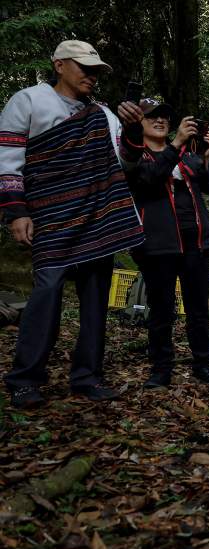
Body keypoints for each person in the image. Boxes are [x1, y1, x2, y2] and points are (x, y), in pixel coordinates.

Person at [0, 40, 145, 408]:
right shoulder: (28, 101)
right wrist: (17, 212)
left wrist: (132, 130)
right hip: (51, 217)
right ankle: (24, 379)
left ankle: (87, 377)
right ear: (59, 65)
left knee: (95, 300)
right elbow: (8, 160)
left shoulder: (103, 114)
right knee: (46, 294)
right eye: (84, 67)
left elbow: (125, 163)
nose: (91, 75)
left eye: (95, 70)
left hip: (98, 219)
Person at [119, 98, 209, 389]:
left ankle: (204, 365)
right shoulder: (135, 157)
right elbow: (150, 180)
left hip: (196, 242)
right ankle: (161, 369)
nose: (160, 120)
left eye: (165, 116)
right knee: (162, 309)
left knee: (198, 310)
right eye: (152, 116)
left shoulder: (187, 157)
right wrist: (176, 144)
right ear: (139, 123)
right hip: (157, 245)